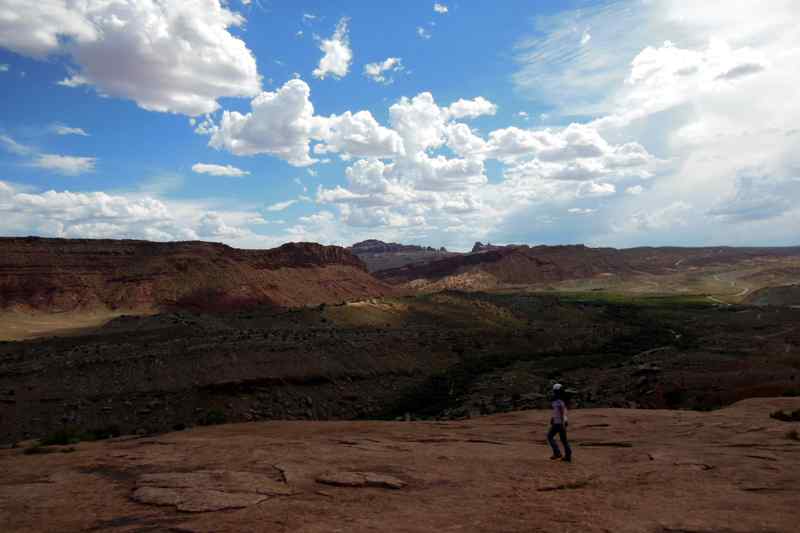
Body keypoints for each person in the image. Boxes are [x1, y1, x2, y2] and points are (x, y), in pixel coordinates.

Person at [547, 383, 572, 462]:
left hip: (558, 423)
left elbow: (562, 411)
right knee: (564, 440)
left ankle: (557, 452)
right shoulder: (561, 399)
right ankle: (568, 456)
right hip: (560, 422)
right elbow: (560, 411)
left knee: (550, 436)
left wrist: (562, 421)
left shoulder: (557, 400)